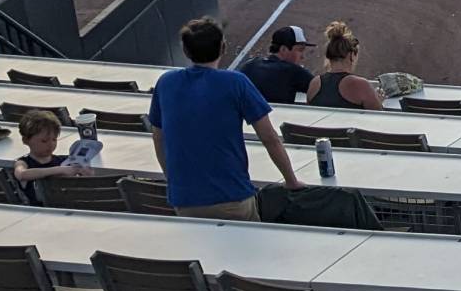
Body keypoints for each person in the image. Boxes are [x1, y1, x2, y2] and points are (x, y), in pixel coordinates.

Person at [148, 15, 300, 219]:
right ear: (223, 48)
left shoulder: (166, 82)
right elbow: (269, 138)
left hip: (184, 202)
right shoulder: (236, 82)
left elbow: (158, 137)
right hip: (231, 198)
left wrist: (175, 182)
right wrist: (291, 180)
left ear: (185, 50)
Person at [305, 21, 386, 110]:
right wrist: (378, 101)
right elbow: (378, 118)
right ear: (351, 55)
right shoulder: (361, 85)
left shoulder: (315, 83)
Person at [11, 108, 94, 187]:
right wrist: (60, 170)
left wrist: (86, 174)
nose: (50, 144)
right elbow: (21, 174)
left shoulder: (64, 160)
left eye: (54, 140)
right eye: (44, 141)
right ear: (26, 140)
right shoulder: (24, 162)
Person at [237, 24, 316, 106]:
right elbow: (322, 89)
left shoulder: (250, 65)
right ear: (283, 49)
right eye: (300, 50)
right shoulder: (293, 71)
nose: (302, 56)